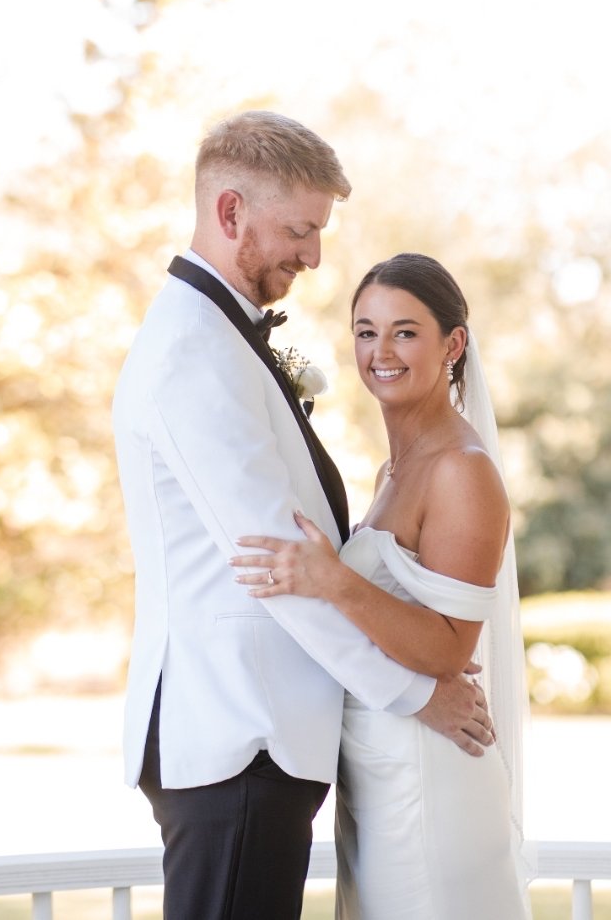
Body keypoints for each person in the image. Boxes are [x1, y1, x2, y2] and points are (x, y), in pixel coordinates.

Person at [112, 113, 494, 920]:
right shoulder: (193, 355)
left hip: (256, 739)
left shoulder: (215, 337)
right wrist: (415, 694)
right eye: (299, 229)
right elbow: (279, 569)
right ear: (229, 214)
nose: (315, 255)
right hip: (238, 736)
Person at [230, 251, 532, 919]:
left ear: (453, 344)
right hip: (376, 768)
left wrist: (334, 582)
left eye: (405, 331)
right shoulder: (392, 472)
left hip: (430, 771)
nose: (381, 351)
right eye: (366, 331)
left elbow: (452, 650)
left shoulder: (462, 470)